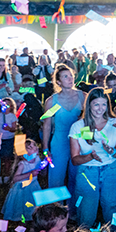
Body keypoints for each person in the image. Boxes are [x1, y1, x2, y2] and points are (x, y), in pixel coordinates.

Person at [68, 88, 116, 231]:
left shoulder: (115, 123)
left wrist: (111, 151)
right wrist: (90, 156)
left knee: (113, 207)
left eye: (103, 104)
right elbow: (75, 160)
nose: (100, 109)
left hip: (110, 171)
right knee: (86, 211)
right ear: (89, 105)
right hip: (87, 172)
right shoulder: (78, 127)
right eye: (96, 104)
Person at [41, 64, 85, 192]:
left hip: (78, 142)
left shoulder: (83, 97)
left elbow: (89, 122)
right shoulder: (52, 101)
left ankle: (75, 209)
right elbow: (47, 125)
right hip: (60, 142)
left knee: (77, 178)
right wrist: (45, 148)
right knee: (56, 178)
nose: (70, 78)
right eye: (66, 77)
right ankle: (55, 209)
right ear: (59, 82)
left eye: (71, 75)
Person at [1, 139, 44, 222]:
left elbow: (41, 171)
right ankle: (20, 229)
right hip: (22, 189)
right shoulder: (23, 164)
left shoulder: (37, 159)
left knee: (33, 207)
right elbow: (15, 178)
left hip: (33, 186)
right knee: (22, 210)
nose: (34, 147)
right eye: (30, 147)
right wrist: (30, 174)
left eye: (34, 145)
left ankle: (33, 225)